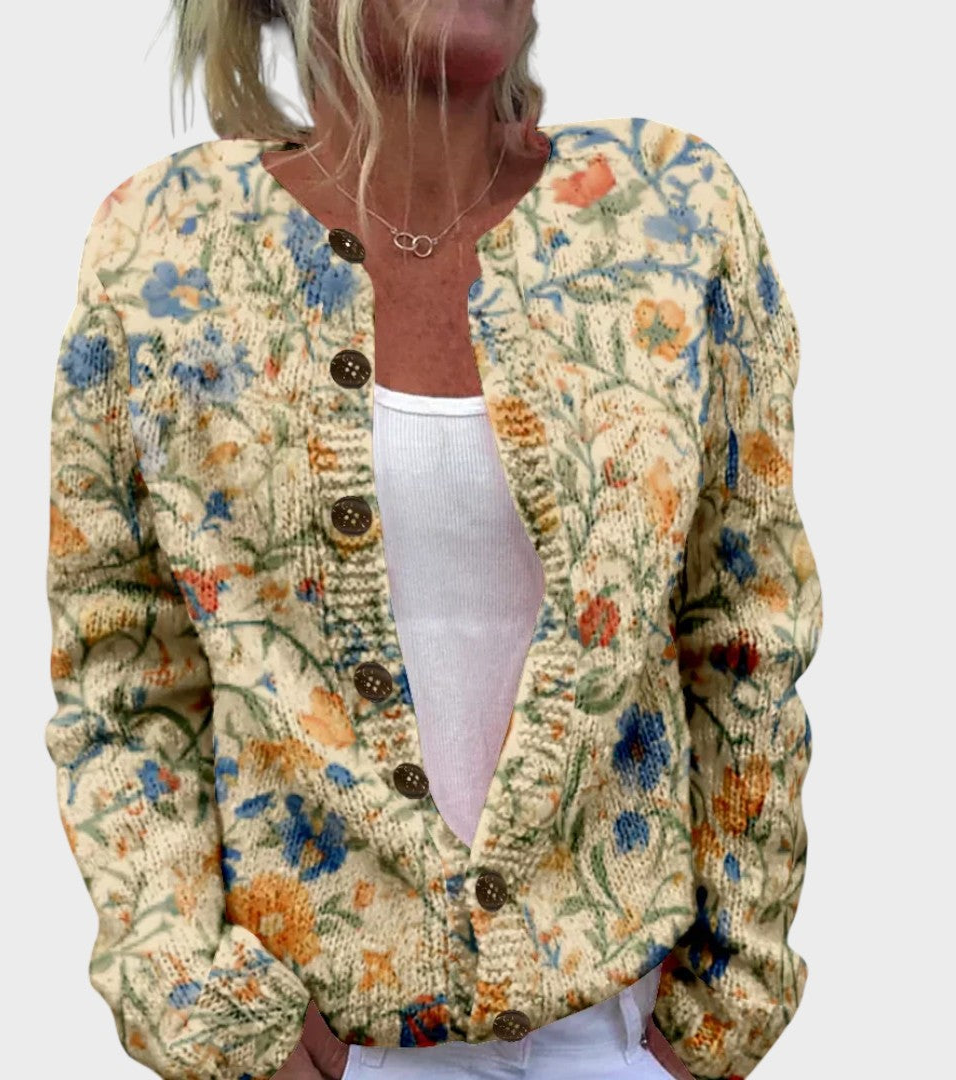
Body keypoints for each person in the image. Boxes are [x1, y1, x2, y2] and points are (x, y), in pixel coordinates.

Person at [44, 2, 822, 1079]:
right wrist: (212, 1015)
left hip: (618, 1038)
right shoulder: (163, 249)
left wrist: (715, 1021)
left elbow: (747, 631)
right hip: (317, 1041)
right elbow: (124, 674)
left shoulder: (669, 211)